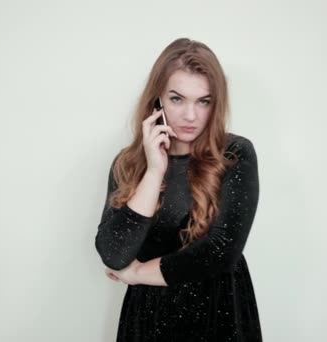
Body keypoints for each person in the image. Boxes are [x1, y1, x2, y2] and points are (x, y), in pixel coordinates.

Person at [95, 37, 262, 342]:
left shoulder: (235, 154)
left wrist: (136, 274)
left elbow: (220, 251)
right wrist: (155, 169)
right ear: (158, 98)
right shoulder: (129, 163)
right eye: (177, 99)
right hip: (149, 318)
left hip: (219, 313)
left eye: (203, 101)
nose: (190, 115)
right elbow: (114, 253)